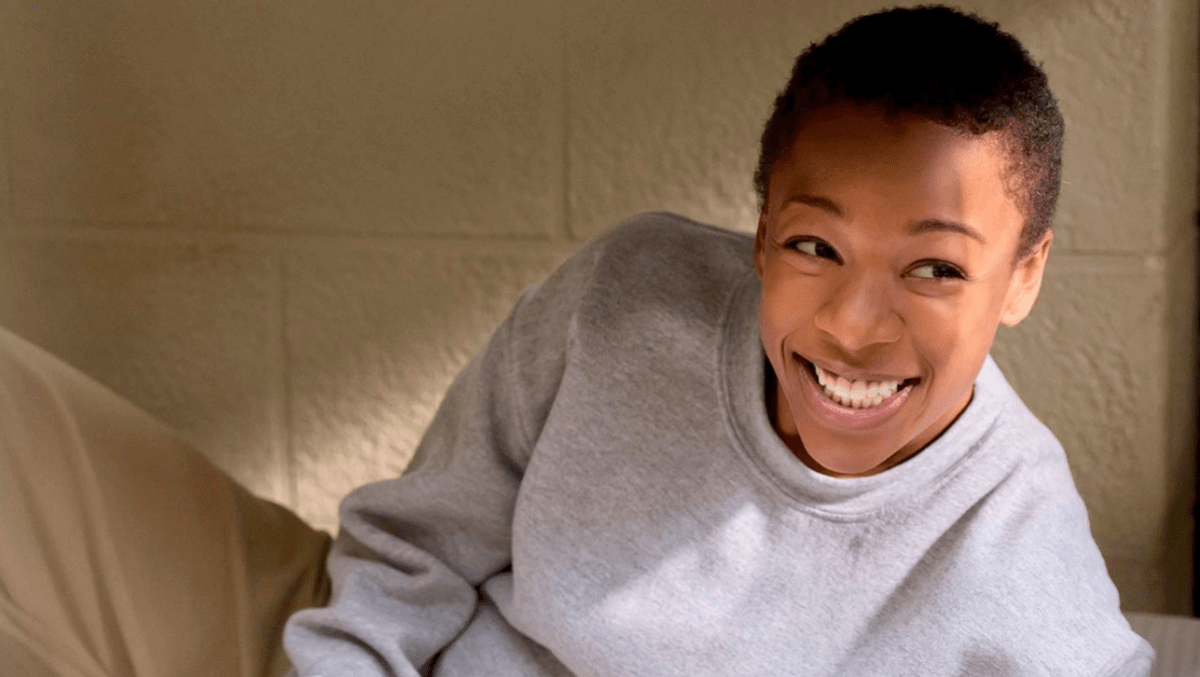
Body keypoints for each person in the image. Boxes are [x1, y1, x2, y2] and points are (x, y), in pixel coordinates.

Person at [282, 6, 1154, 677]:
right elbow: (410, 552)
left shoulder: (1020, 545)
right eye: (817, 247)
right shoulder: (622, 298)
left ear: (1023, 277)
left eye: (934, 269)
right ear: (765, 231)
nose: (852, 326)